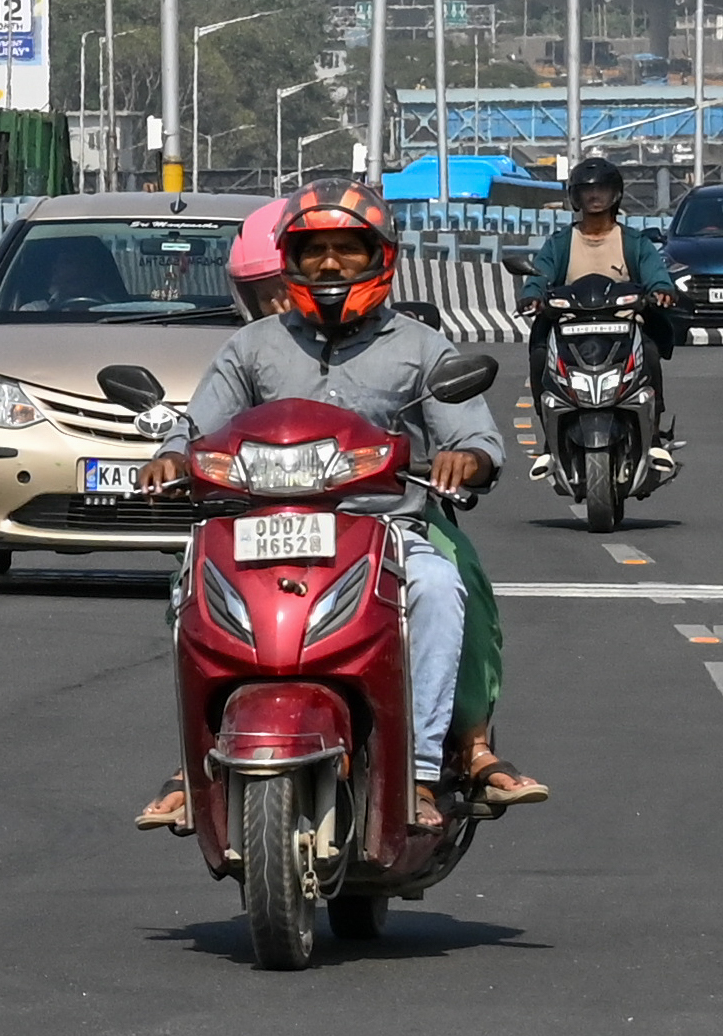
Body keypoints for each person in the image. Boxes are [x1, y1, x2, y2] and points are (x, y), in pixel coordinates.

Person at [132, 176, 545, 833]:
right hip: (264, 527)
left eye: (346, 250)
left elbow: (473, 434)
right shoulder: (253, 347)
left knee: (438, 586)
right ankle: (196, 758)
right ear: (290, 262)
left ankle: (425, 769)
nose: (329, 264)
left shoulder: (418, 346)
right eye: (312, 251)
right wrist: (174, 456)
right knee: (190, 590)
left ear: (379, 256)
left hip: (384, 526)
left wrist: (465, 456)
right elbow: (199, 425)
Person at [517, 152, 681, 481]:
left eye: (602, 190)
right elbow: (540, 274)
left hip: (624, 329)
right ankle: (550, 444)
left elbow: (655, 273)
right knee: (538, 360)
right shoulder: (560, 243)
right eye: (586, 190)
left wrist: (661, 290)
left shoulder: (634, 242)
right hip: (569, 330)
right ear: (575, 197)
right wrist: (532, 295)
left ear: (616, 194)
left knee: (649, 353)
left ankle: (653, 439)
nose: (594, 196)